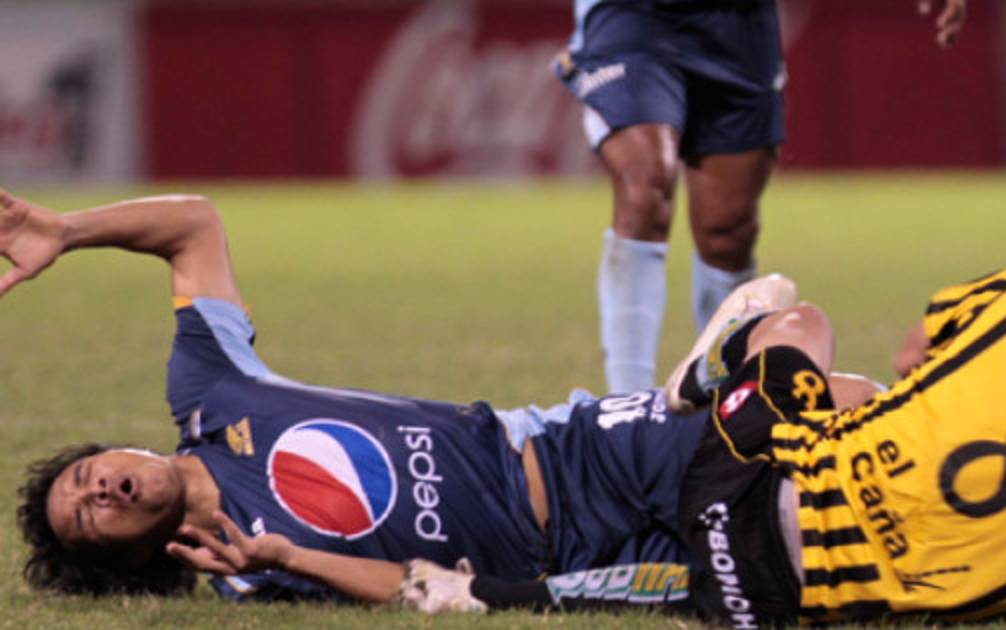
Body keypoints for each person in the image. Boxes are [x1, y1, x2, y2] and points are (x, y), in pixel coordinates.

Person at [4, 189, 876, 602]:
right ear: (130, 560)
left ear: (114, 451)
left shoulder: (211, 391)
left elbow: (193, 224)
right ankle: (728, 382)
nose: (100, 491)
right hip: (579, 562)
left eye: (85, 475)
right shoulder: (251, 575)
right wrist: (288, 559)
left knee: (839, 383)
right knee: (824, 543)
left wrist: (67, 232)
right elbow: (413, 591)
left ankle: (710, 383)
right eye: (90, 519)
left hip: (576, 452)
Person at [397, 249, 1006, 626]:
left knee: (804, 328)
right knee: (714, 583)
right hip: (807, 603)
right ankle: (489, 597)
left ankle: (708, 373)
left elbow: (912, 357)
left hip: (744, 474)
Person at [556, 0, 969, 393]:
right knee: (646, 185)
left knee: (727, 231)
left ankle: (720, 401)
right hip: (633, 17)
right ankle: (623, 403)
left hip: (739, 28)